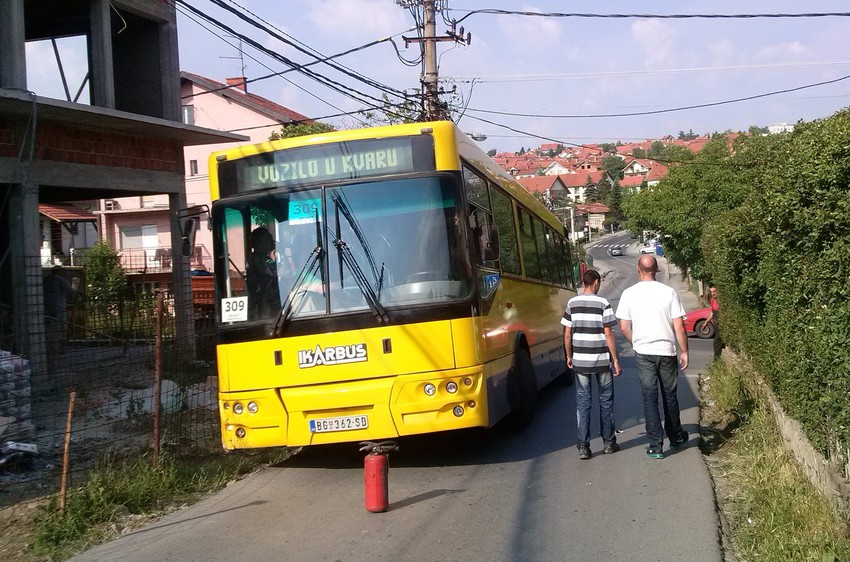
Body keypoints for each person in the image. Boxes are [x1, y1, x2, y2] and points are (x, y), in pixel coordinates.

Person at [616, 255, 689, 459]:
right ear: (656, 269)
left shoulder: (629, 294)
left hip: (644, 351)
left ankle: (656, 445)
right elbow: (679, 326)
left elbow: (623, 327)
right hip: (666, 350)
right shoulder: (669, 292)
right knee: (670, 395)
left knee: (650, 397)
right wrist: (684, 351)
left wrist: (636, 342)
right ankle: (675, 437)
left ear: (638, 270)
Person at [562, 269, 622, 460]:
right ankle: (609, 444)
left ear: (583, 281)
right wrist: (615, 360)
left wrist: (569, 356)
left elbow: (566, 334)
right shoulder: (603, 303)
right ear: (596, 282)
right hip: (602, 361)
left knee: (582, 403)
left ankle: (583, 447)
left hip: (580, 361)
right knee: (606, 402)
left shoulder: (572, 303)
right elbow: (608, 333)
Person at [247, 227, 281, 319]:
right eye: (269, 239)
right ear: (261, 242)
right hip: (266, 305)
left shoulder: (257, 258)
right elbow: (276, 271)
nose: (272, 242)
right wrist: (273, 256)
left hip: (267, 302)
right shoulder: (259, 259)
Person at [44, 265, 71, 358]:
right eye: (63, 271)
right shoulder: (60, 279)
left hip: (47, 308)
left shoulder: (45, 279)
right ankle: (61, 350)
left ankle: (51, 350)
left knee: (50, 328)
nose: (65, 273)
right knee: (61, 328)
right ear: (58, 271)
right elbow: (70, 290)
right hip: (59, 307)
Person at [707, 284, 723, 359]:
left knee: (716, 342)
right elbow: (712, 313)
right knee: (718, 343)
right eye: (711, 292)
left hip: (721, 325)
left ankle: (716, 360)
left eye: (714, 291)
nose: (713, 293)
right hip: (716, 325)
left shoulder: (721, 302)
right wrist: (706, 322)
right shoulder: (712, 300)